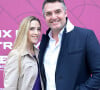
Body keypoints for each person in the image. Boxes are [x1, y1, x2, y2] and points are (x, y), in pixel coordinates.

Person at [39, 0, 100, 90]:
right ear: (44, 17)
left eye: (57, 12)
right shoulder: (44, 43)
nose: (53, 17)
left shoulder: (86, 36)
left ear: (65, 13)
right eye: (48, 14)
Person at [4, 16, 42, 90]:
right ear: (24, 31)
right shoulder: (16, 55)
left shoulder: (39, 54)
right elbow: (10, 87)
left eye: (38, 29)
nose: (36, 32)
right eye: (32, 29)